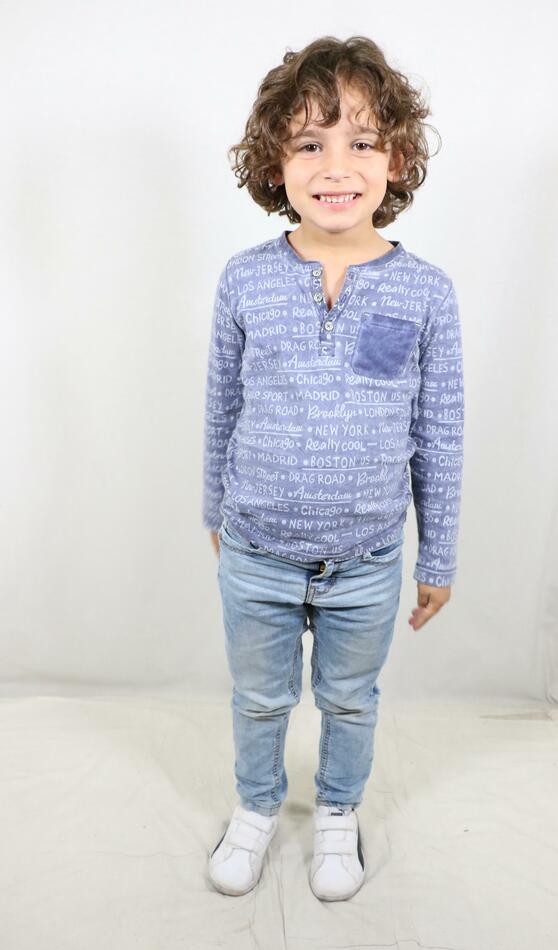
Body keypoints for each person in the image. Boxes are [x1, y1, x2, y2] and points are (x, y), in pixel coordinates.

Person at [202, 35, 465, 901]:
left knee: (350, 699)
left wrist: (437, 558)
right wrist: (214, 511)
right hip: (256, 551)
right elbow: (221, 406)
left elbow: (441, 434)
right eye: (310, 143)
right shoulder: (245, 280)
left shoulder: (426, 292)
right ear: (274, 162)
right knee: (259, 698)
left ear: (399, 158)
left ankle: (339, 812)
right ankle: (255, 807)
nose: (336, 166)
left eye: (361, 140)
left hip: (367, 560)